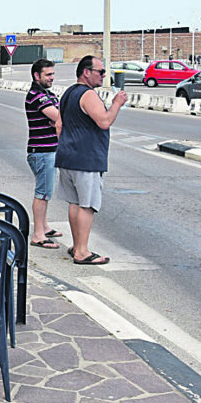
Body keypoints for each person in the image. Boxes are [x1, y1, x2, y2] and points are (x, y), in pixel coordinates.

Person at [54, 55, 128, 266]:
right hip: (86, 159)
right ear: (86, 72)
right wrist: (117, 104)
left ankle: (76, 246)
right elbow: (104, 121)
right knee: (87, 206)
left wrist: (67, 144)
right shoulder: (88, 95)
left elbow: (58, 125)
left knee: (75, 203)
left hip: (67, 156)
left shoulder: (68, 93)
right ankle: (82, 251)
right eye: (100, 72)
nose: (104, 76)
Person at [25, 59, 63, 249]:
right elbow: (58, 117)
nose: (52, 78)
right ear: (36, 76)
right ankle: (38, 234)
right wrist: (57, 120)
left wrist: (57, 120)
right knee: (42, 193)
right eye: (48, 75)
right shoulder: (36, 96)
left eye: (53, 74)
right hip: (41, 152)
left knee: (46, 191)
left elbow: (58, 118)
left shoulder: (48, 94)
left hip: (48, 150)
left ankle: (44, 226)